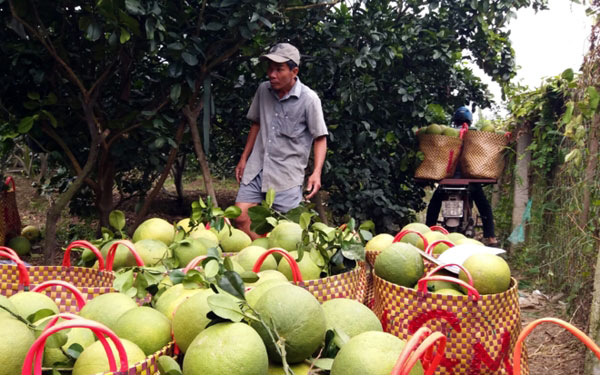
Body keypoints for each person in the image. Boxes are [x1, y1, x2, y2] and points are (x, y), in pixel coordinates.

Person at [234, 43, 328, 239]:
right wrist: (244, 158)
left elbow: (320, 137)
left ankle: (278, 259)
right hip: (257, 166)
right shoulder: (263, 90)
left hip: (286, 174)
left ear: (294, 71)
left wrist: (316, 172)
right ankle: (262, 254)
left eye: (279, 69)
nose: (271, 74)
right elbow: (256, 124)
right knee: (241, 216)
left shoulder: (309, 99)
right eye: (269, 68)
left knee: (287, 231)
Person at [425, 106, 499, 246]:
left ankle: (428, 232)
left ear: (455, 121)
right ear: (469, 121)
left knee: (434, 204)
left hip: (446, 179)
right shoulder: (475, 136)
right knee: (483, 205)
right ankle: (490, 237)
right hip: (469, 180)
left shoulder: (445, 136)